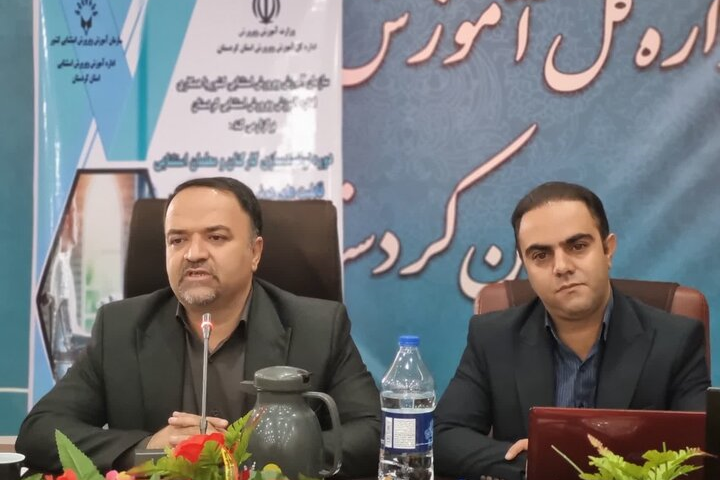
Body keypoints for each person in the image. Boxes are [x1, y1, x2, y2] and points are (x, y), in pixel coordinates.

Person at [17, 177, 381, 477]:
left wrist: (250, 454)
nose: (193, 253)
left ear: (255, 252)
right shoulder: (120, 328)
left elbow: (371, 434)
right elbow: (40, 430)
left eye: (216, 237)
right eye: (177, 240)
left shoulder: (318, 327)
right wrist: (149, 448)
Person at [434, 181, 710, 480]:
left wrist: (576, 461)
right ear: (526, 266)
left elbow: (701, 454)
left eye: (577, 246)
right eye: (541, 255)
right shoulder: (493, 337)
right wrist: (531, 462)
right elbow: (444, 436)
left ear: (608, 250)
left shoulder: (675, 340)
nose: (562, 267)